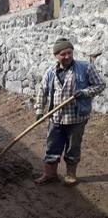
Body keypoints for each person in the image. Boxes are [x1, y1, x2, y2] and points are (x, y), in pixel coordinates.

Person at [34, 38, 106, 186]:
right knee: (52, 147)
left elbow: (100, 85)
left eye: (69, 53)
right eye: (63, 54)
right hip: (56, 118)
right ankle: (50, 174)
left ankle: (70, 175)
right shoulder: (50, 72)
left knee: (73, 148)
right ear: (56, 55)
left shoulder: (85, 67)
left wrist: (85, 92)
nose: (67, 56)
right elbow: (42, 91)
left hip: (77, 118)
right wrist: (39, 109)